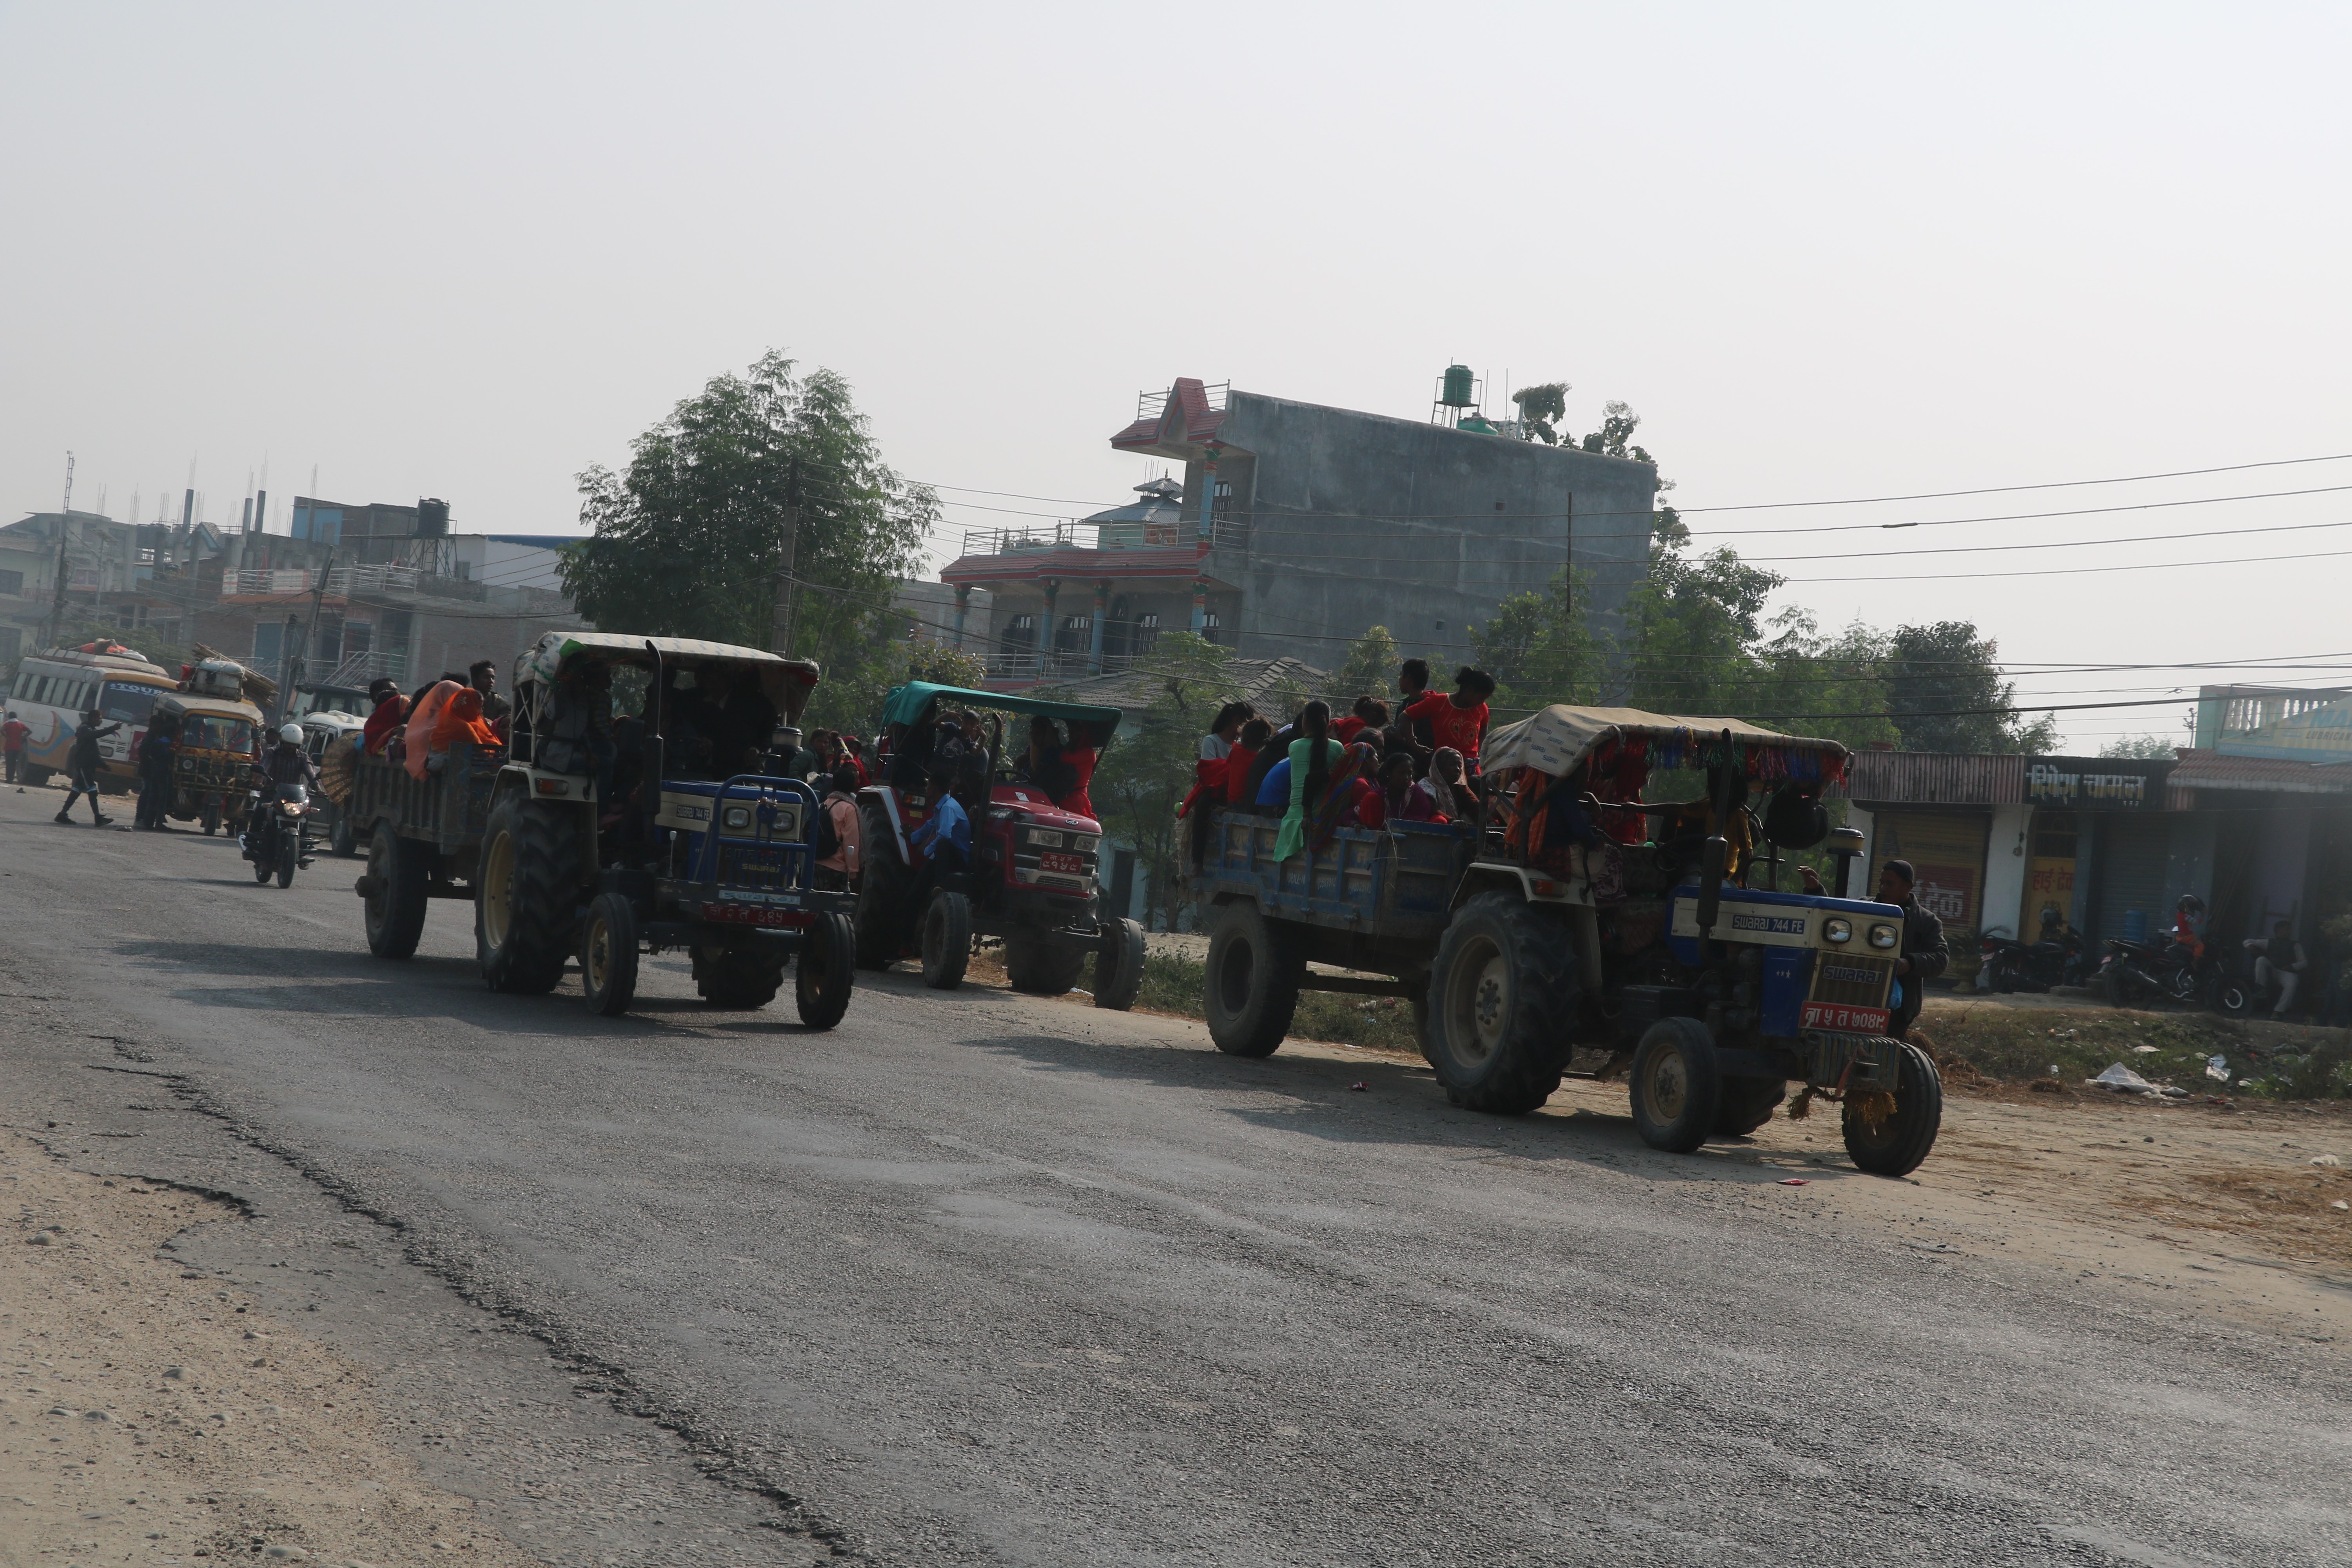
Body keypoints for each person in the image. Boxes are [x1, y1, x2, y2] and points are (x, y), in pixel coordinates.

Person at [1804, 858, 1947, 1037]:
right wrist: (1816, 890)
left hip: (1897, 1010)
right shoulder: (1865, 908)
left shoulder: (1927, 922)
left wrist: (1910, 963)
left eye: (1890, 884)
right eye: (1881, 882)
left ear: (1908, 887)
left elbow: (1941, 959)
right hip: (1852, 1000)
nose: (1883, 888)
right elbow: (1833, 918)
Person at [1272, 701, 1350, 862]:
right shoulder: (1337, 748)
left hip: (1295, 817)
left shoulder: (1294, 746)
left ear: (1305, 721)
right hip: (1324, 816)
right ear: (1328, 723)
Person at [1402, 667, 1494, 792]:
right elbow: (1406, 717)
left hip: (1471, 772)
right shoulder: (1439, 702)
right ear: (1470, 690)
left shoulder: (1482, 708)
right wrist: (1413, 744)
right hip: (1444, 771)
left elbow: (1484, 726)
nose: (1482, 702)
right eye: (1481, 697)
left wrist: (1480, 750)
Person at [905, 784, 971, 909]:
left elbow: (945, 835)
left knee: (943, 843)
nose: (926, 788)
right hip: (944, 855)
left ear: (935, 789)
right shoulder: (941, 807)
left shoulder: (948, 807)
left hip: (958, 858)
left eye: (929, 785)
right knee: (917, 886)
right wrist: (913, 837)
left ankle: (939, 885)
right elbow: (929, 826)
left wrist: (926, 849)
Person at [54, 709, 118, 826]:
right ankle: (98, 818)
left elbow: (95, 753)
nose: (101, 721)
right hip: (84, 766)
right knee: (93, 791)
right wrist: (112, 729)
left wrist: (103, 765)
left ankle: (62, 815)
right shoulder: (85, 730)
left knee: (76, 791)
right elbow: (95, 737)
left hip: (87, 766)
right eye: (99, 718)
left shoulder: (90, 730)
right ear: (93, 718)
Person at [2246, 920, 2309, 1019]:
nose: (2289, 932)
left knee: (2292, 983)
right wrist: (2250, 946)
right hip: (2273, 971)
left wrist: (2291, 966)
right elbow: (2247, 941)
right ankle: (2260, 988)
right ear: (2278, 931)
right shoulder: (2269, 942)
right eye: (2286, 930)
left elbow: (2304, 963)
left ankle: (2279, 1011)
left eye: (2289, 930)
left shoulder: (2295, 945)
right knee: (2261, 960)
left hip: (2287, 973)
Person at [815, 764, 862, 891]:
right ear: (852, 787)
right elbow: (851, 844)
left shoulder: (822, 805)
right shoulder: (849, 809)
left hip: (815, 866)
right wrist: (853, 874)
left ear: (833, 785)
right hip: (836, 870)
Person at [135, 710, 179, 830]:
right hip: (161, 773)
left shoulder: (156, 741)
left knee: (152, 796)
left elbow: (151, 755)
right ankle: (156, 822)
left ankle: (147, 822)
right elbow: (169, 758)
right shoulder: (167, 744)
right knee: (160, 798)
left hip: (154, 772)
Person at [360, 678, 407, 757]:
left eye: (396, 690)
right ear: (377, 695)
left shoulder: (398, 717)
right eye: (392, 690)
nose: (398, 694)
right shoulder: (374, 724)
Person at [467, 659, 512, 723]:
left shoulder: (501, 704)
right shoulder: (464, 699)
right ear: (474, 680)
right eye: (486, 678)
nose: (491, 681)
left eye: (493, 678)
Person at [2, 708, 27, 789]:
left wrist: (7, 737)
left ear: (9, 717)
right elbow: (30, 731)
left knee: (9, 763)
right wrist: (23, 737)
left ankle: (9, 779)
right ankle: (12, 779)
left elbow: (1, 730)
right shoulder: (20, 725)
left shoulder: (7, 724)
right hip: (17, 747)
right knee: (14, 763)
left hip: (9, 746)